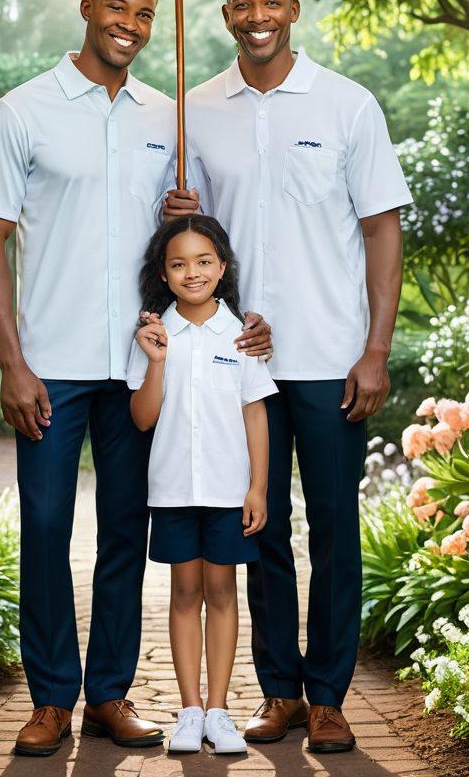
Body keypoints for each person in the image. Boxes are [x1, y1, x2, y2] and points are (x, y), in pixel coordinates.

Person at [0, 0, 272, 758]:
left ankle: (107, 693)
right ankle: (49, 698)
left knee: (124, 535)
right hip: (52, 363)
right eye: (116, 7)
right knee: (43, 526)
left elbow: (192, 242)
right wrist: (11, 362)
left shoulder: (164, 121)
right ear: (87, 7)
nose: (129, 23)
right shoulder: (22, 111)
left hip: (141, 362)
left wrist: (184, 211)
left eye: (143, 12)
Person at [165, 0, 413, 754]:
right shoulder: (196, 109)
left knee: (337, 527)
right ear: (226, 13)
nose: (258, 14)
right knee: (261, 528)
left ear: (295, 9)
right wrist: (181, 214)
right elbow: (192, 238)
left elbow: (381, 228)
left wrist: (375, 349)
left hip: (334, 353)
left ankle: (330, 695)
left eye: (272, 1)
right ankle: (279, 693)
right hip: (244, 360)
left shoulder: (348, 104)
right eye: (242, 3)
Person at [127, 215, 276, 756]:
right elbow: (142, 418)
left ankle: (219, 712)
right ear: (164, 275)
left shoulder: (240, 335)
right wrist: (156, 363)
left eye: (204, 261)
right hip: (172, 491)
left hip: (226, 491)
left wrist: (257, 487)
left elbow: (255, 414)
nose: (192, 272)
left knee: (223, 594)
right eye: (179, 263)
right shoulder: (154, 336)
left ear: (223, 266)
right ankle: (189, 711)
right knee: (185, 595)